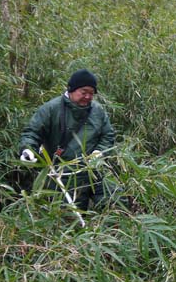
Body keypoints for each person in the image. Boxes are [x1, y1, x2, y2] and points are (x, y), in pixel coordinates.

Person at [19, 69, 115, 211]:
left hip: (94, 169)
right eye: (84, 92)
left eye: (91, 93)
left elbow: (108, 135)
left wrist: (99, 152)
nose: (88, 97)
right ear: (71, 89)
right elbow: (32, 132)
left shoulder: (98, 111)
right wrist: (28, 150)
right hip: (64, 174)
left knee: (113, 203)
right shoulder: (51, 109)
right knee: (69, 216)